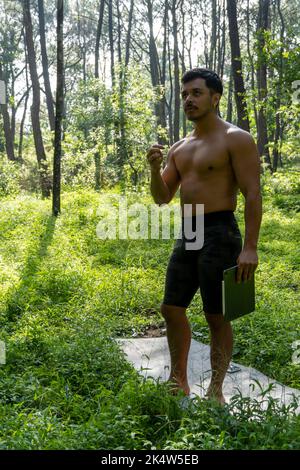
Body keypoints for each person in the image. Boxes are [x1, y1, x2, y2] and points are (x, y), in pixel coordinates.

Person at [146, 68, 262, 405]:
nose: (188, 100)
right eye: (184, 95)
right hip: (190, 229)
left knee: (217, 315)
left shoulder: (235, 138)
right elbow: (162, 196)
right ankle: (178, 381)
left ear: (215, 96)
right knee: (171, 308)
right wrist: (155, 170)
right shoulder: (180, 148)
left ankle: (216, 391)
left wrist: (250, 247)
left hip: (221, 229)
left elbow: (252, 194)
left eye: (196, 93)